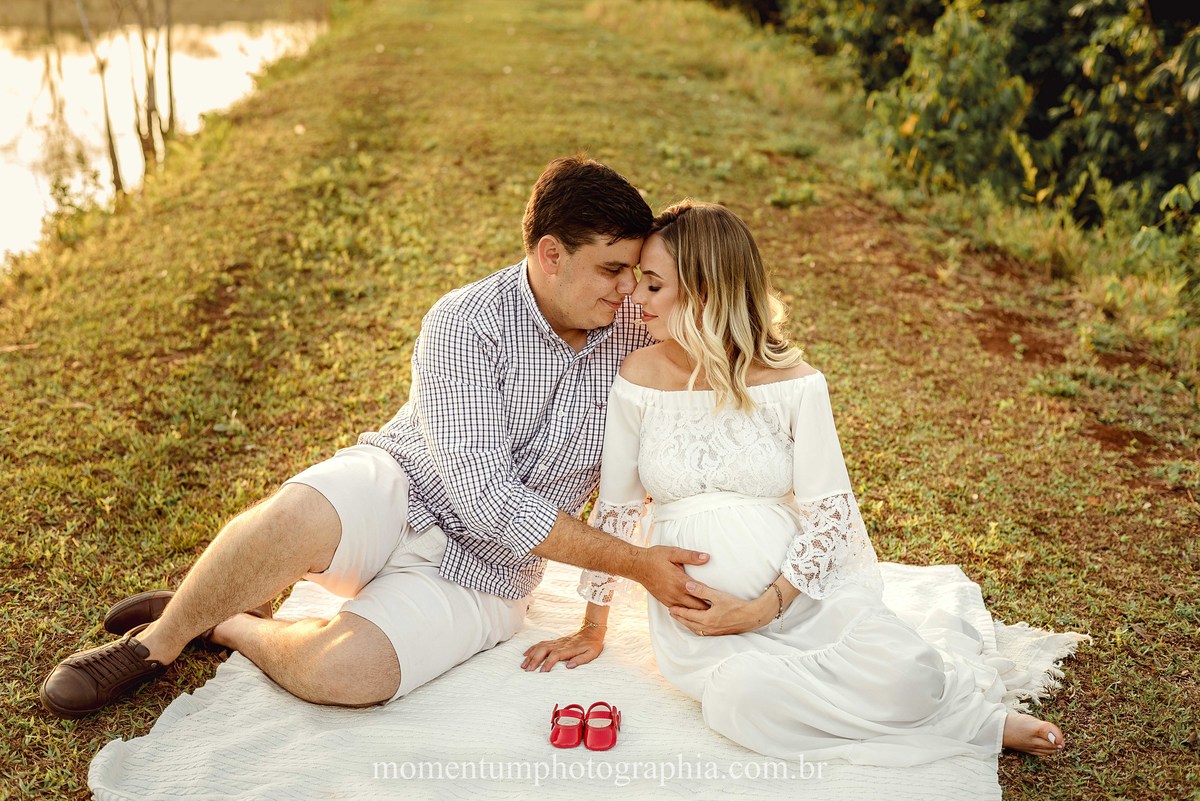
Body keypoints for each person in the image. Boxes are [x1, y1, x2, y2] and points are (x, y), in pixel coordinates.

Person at [39, 156, 714, 719]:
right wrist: (635, 563)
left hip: (489, 572)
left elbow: (728, 328)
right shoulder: (466, 321)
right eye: (611, 269)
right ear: (549, 255)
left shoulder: (636, 325)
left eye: (634, 271)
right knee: (299, 509)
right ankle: (156, 641)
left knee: (352, 675)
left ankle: (228, 623)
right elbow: (483, 494)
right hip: (404, 485)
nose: (629, 288)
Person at [521, 200, 1066, 762]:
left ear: (705, 294)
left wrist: (765, 607)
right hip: (702, 624)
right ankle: (934, 723)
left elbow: (831, 516)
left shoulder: (795, 383)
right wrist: (593, 625)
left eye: (654, 285)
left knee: (910, 673)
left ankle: (977, 718)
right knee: (742, 699)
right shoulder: (639, 376)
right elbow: (617, 509)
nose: (635, 297)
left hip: (800, 598)